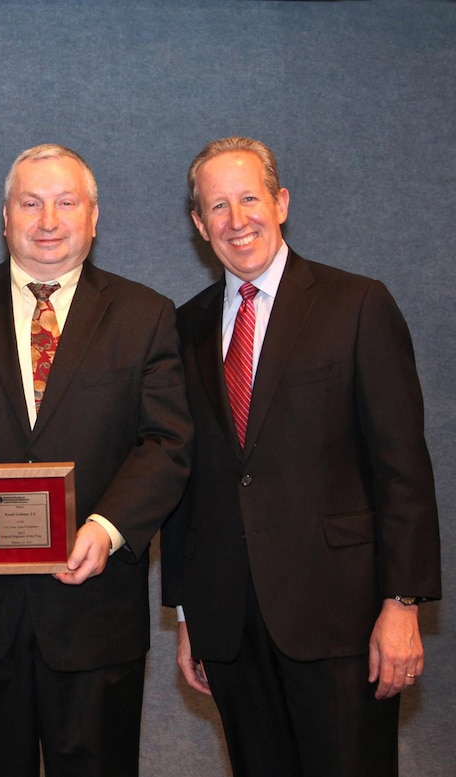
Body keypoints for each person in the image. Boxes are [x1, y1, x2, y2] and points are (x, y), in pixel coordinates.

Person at [0, 144, 192, 777]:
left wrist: (107, 530)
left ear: (93, 216)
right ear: (5, 218)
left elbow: (165, 443)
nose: (47, 219)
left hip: (94, 608)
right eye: (30, 203)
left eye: (65, 202)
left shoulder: (145, 315)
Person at [161, 136, 442, 777]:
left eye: (250, 199)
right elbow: (187, 479)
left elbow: (403, 469)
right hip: (229, 621)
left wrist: (402, 606)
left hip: (342, 619)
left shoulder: (358, 305)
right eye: (218, 207)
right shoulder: (184, 328)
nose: (238, 220)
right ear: (200, 225)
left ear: (281, 203)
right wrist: (187, 614)